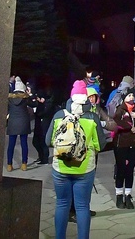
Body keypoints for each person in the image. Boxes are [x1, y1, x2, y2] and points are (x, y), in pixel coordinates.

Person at [46, 80, 106, 239]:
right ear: (85, 98)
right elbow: (100, 144)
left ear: (71, 97)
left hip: (60, 167)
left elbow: (48, 141)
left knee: (62, 204)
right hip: (85, 169)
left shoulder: (59, 115)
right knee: (82, 207)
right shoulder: (92, 117)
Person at [112, 89, 135, 209]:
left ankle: (128, 195)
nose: (131, 97)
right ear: (124, 98)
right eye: (129, 95)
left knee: (130, 170)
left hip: (133, 145)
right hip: (121, 145)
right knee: (121, 170)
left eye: (132, 95)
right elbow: (115, 122)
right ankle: (119, 196)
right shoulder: (120, 110)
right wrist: (129, 127)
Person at [6, 76, 36, 171]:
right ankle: (24, 164)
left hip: (13, 122)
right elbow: (34, 104)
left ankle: (9, 165)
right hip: (23, 122)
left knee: (11, 144)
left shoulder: (9, 98)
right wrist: (30, 94)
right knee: (24, 144)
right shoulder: (25, 98)